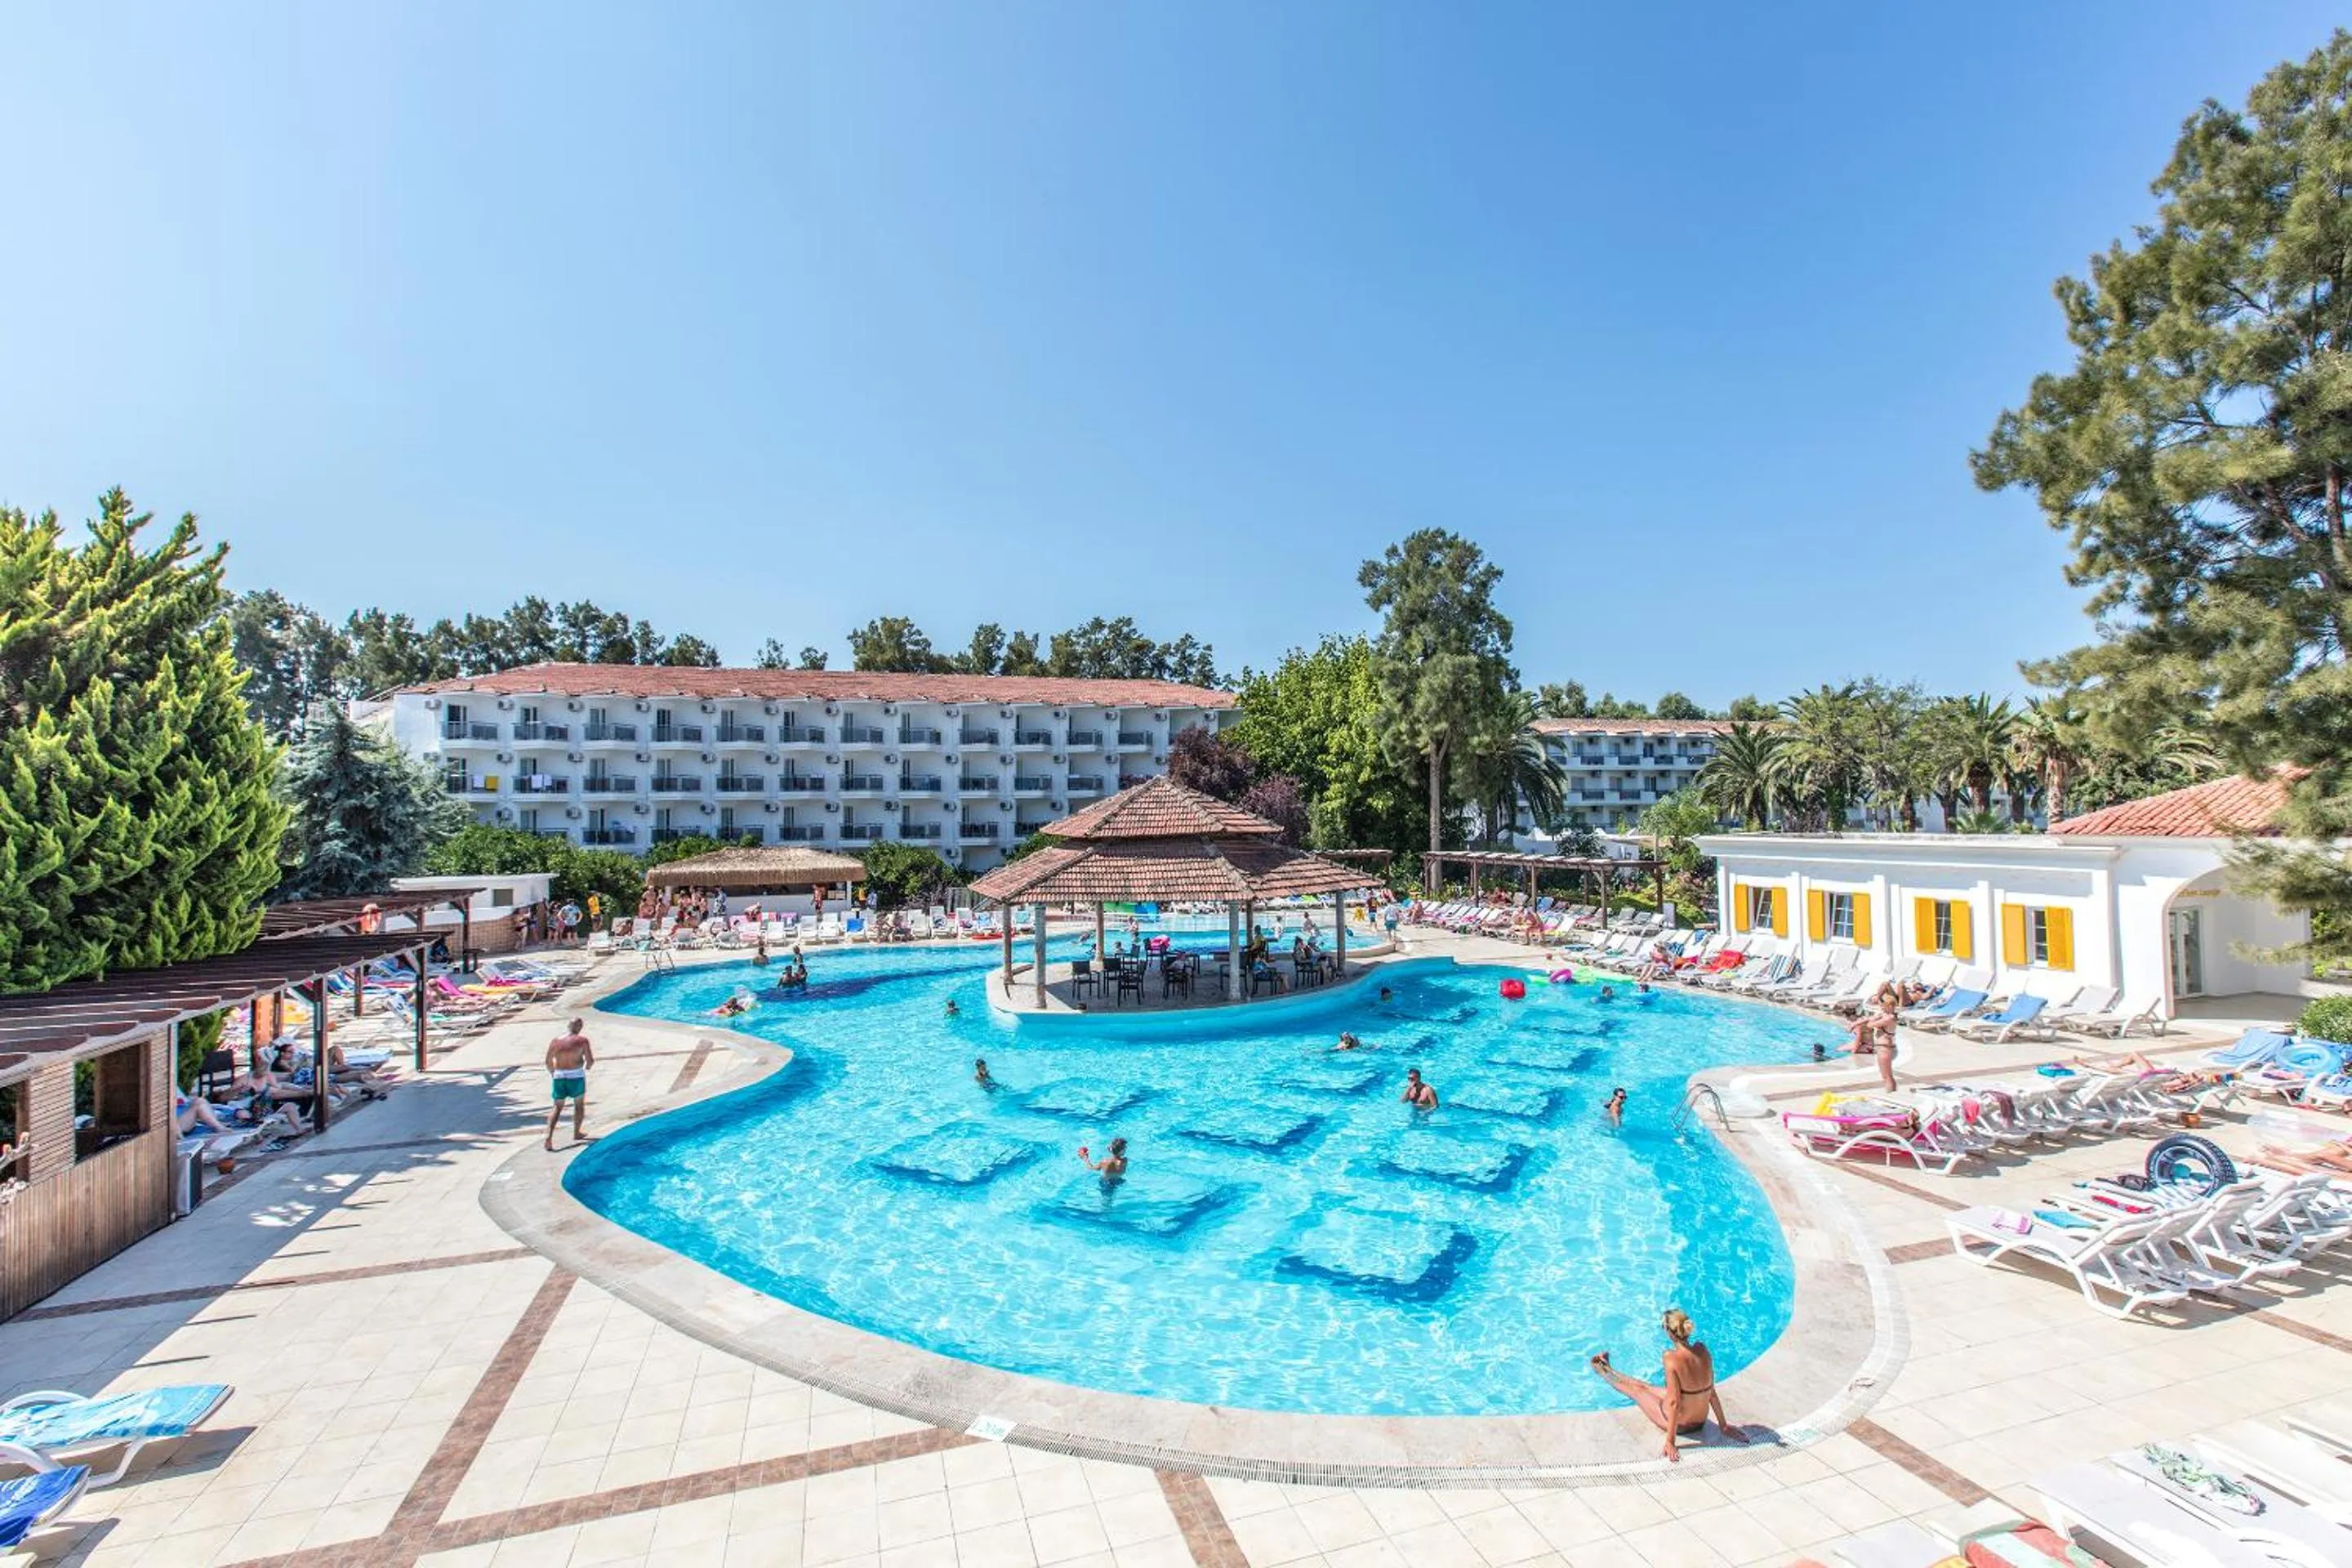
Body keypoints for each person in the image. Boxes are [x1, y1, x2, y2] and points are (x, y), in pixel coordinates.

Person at [1591, 1309, 1744, 1463]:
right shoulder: (1702, 1350)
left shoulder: (1670, 1358)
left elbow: (1674, 1403)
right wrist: (1723, 1426)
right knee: (1646, 1387)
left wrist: (1670, 1442)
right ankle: (1608, 1368)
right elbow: (1711, 1393)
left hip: (1681, 1424)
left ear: (1670, 1333)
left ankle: (1602, 1370)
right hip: (1700, 1420)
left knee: (1637, 1391)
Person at [545, 1018, 595, 1152]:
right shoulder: (582, 1041)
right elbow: (590, 1060)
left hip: (559, 1076)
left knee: (557, 1107)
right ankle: (577, 1132)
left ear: (568, 1026)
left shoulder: (556, 1041)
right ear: (580, 1027)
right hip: (576, 1076)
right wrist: (587, 1067)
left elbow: (548, 1061)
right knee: (579, 1105)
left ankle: (549, 1137)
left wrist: (553, 1072)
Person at [1846, 989, 1900, 1094]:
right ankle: (1890, 1093)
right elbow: (1868, 1019)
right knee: (1885, 1075)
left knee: (1887, 1076)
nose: (1882, 1007)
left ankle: (1892, 1094)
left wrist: (1873, 1019)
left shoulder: (1889, 1018)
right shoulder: (1884, 1015)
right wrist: (1854, 1024)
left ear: (1890, 1006)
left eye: (1884, 1005)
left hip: (1885, 1048)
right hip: (1882, 1048)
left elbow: (1870, 1025)